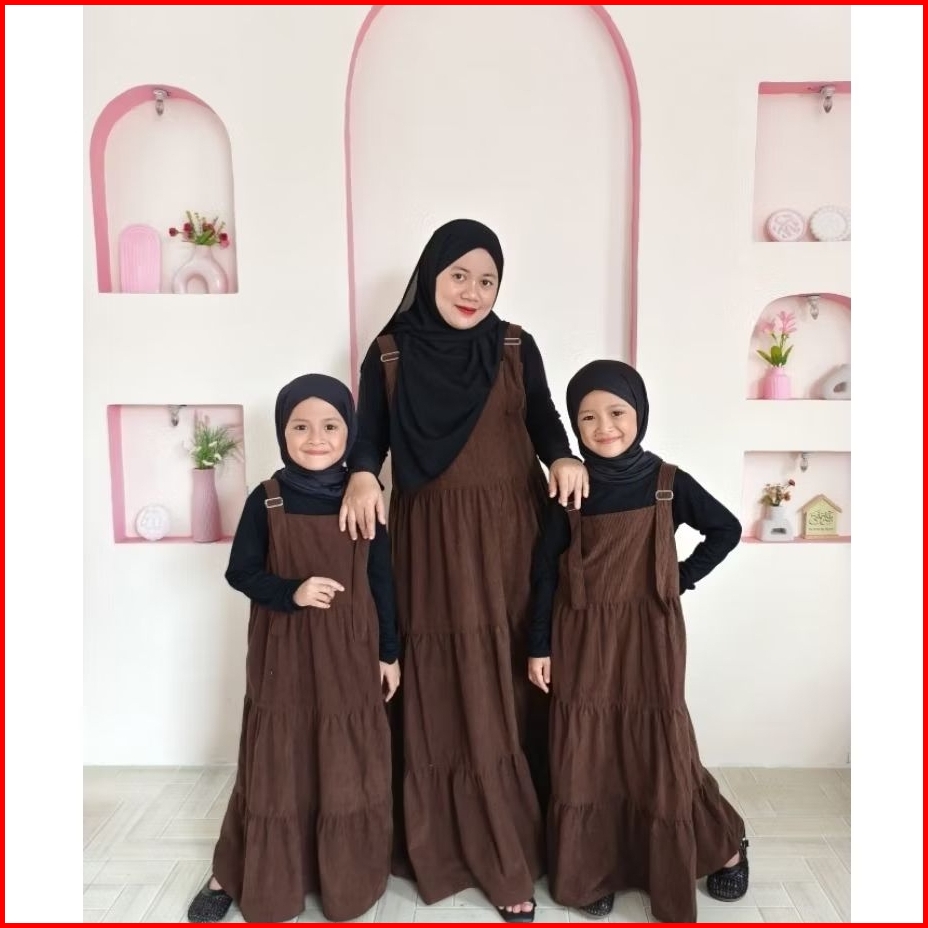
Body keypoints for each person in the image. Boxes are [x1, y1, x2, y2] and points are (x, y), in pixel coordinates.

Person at [339, 219, 587, 922]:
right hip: (431, 548)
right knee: (446, 684)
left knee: (513, 676)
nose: (473, 291)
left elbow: (543, 418)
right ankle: (452, 843)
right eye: (459, 276)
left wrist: (563, 455)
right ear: (431, 275)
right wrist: (362, 473)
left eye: (488, 280)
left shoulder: (514, 346)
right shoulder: (389, 353)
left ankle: (528, 840)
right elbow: (370, 436)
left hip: (510, 540)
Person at [528, 359, 748, 923]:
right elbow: (544, 573)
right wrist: (539, 646)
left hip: (650, 635)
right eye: (587, 417)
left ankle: (724, 845)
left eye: (617, 412)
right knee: (588, 748)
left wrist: (679, 577)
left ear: (640, 412)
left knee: (660, 745)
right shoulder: (569, 489)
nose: (604, 427)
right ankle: (594, 865)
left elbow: (726, 528)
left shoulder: (666, 482)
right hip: (581, 634)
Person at [186, 374, 400, 924]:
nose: (316, 438)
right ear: (283, 432)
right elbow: (240, 572)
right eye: (300, 427)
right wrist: (292, 591)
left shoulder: (365, 496)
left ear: (350, 432)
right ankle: (236, 871)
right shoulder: (268, 498)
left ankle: (343, 877)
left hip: (350, 652)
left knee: (345, 761)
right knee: (276, 761)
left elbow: (382, 582)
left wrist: (389, 653)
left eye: (330, 425)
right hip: (283, 654)